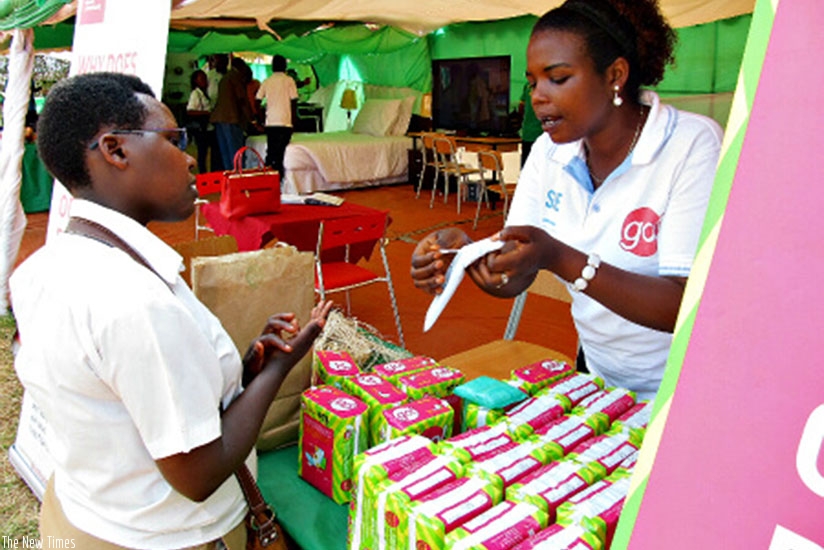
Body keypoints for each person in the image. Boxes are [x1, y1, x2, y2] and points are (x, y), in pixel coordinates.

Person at [12, 72, 333, 548]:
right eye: (172, 138)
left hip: (85, 514)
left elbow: (127, 397)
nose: (188, 157)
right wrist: (278, 371)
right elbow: (199, 473)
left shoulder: (43, 270)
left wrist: (242, 370)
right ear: (115, 150)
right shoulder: (133, 301)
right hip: (167, 535)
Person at [410, 0, 723, 401]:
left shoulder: (690, 145)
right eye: (533, 81)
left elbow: (685, 306)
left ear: (615, 75)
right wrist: (466, 256)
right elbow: (518, 270)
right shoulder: (549, 153)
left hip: (685, 391)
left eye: (557, 78)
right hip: (599, 378)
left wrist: (559, 257)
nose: (538, 97)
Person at [256, 55, 298, 173]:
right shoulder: (289, 81)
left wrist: (261, 119)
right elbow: (294, 101)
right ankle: (278, 177)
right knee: (280, 152)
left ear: (272, 67)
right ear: (285, 66)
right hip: (285, 122)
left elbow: (257, 100)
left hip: (271, 122)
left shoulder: (267, 81)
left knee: (271, 151)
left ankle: (268, 176)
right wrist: (294, 120)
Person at [210, 55, 253, 171]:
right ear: (241, 68)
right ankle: (238, 179)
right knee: (236, 153)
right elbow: (242, 100)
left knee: (226, 154)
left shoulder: (225, 78)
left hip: (219, 119)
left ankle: (230, 178)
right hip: (231, 119)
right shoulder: (235, 77)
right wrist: (252, 119)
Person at [186, 68, 213, 173]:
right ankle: (203, 174)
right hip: (201, 128)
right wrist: (206, 113)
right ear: (196, 81)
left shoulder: (204, 93)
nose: (205, 81)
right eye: (202, 79)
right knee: (202, 153)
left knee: (206, 152)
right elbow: (190, 111)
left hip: (207, 127)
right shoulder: (195, 94)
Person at [518, 80, 543, 167]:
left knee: (526, 167)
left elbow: (521, 106)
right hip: (542, 134)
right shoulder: (548, 86)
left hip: (527, 133)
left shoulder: (527, 85)